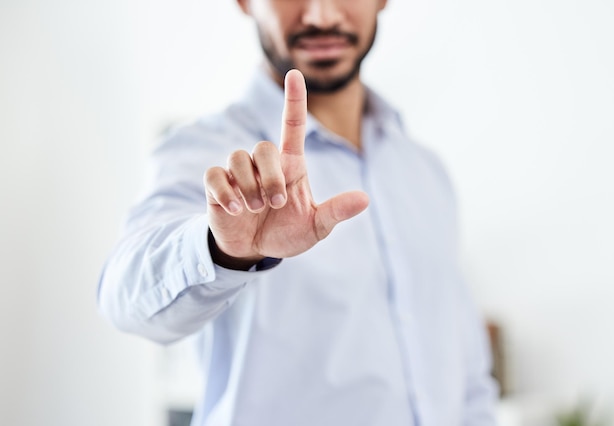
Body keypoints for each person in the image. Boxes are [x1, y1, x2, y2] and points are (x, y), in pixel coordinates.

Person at [98, 0, 498, 424]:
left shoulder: (424, 171)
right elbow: (123, 300)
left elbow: (466, 374)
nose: (321, 16)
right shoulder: (203, 154)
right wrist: (223, 250)